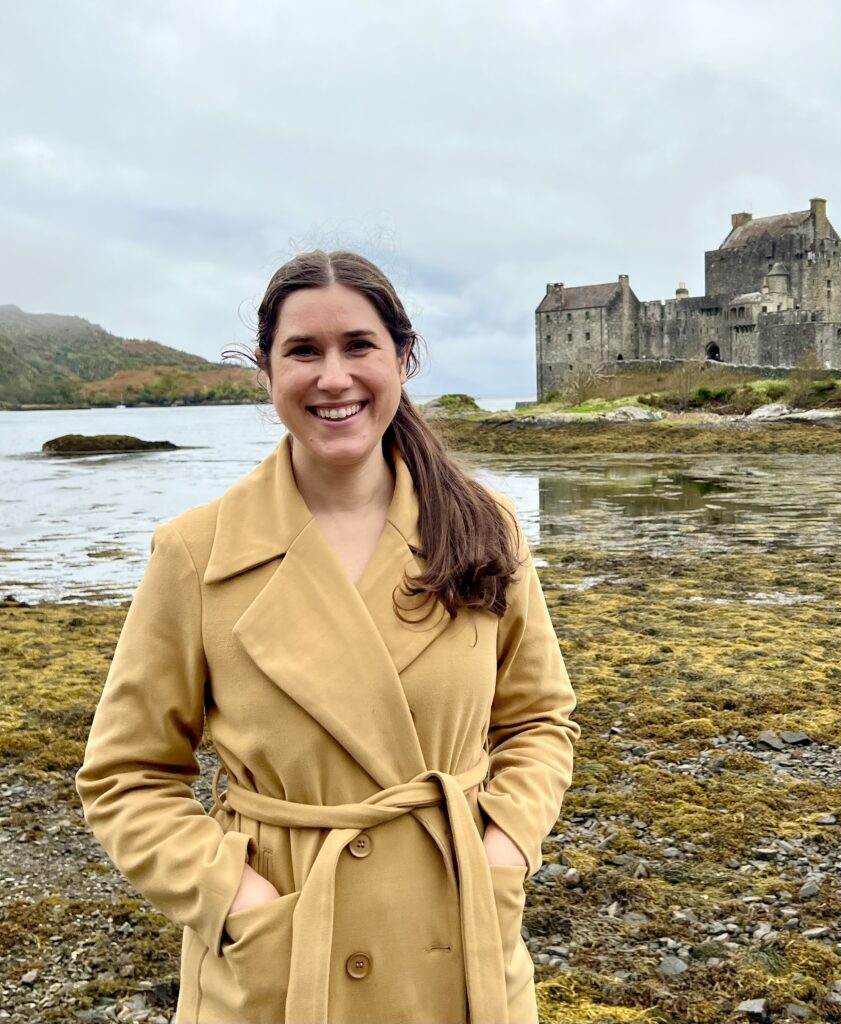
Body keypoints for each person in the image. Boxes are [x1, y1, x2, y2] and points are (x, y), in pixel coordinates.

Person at [75, 250, 581, 1024]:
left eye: (359, 346)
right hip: (285, 968)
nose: (333, 377)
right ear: (265, 371)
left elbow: (539, 720)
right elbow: (126, 775)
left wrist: (504, 848)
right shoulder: (196, 553)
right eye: (303, 351)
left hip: (459, 945)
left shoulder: (484, 526)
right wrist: (235, 899)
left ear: (404, 358)